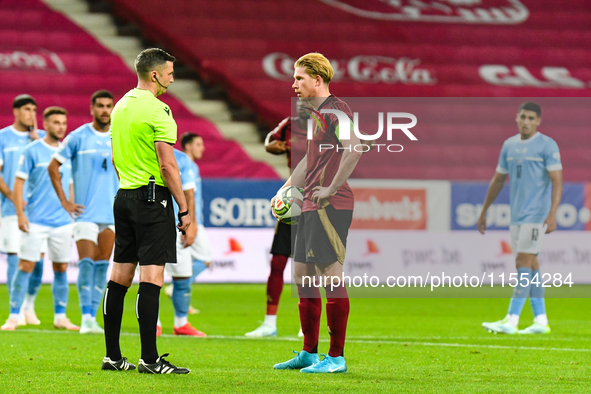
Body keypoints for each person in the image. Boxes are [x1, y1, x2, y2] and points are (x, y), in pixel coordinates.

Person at [273, 53, 363, 373]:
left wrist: (331, 188)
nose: (294, 84)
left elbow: (355, 148)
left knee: (330, 277)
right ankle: (309, 353)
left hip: (330, 206)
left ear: (317, 80)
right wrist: (284, 189)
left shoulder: (336, 110)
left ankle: (336, 358)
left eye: (299, 78)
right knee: (302, 276)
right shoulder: (317, 115)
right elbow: (306, 162)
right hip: (309, 205)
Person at [103, 48, 191, 374]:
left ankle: (113, 356)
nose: (172, 77)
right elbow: (168, 165)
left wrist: (131, 184)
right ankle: (150, 360)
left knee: (119, 277)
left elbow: (114, 158)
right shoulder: (158, 110)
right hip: (152, 198)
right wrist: (183, 207)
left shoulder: (121, 106)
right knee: (151, 277)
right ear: (154, 74)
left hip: (124, 194)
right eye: (168, 72)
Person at [478, 101, 562, 335]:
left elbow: (557, 180)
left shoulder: (547, 145)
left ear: (538, 122)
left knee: (523, 262)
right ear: (517, 118)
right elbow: (498, 180)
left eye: (531, 118)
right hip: (517, 215)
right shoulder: (509, 145)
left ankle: (511, 319)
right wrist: (484, 210)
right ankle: (541, 320)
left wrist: (552, 213)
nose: (526, 122)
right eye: (523, 117)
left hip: (536, 215)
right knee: (531, 264)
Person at [1, 107, 78, 331]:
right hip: (36, 220)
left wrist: (72, 215)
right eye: (55, 122)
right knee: (25, 265)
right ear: (46, 124)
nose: (61, 127)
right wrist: (20, 214)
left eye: (63, 123)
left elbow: (71, 184)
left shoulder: (67, 151)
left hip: (62, 221)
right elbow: (18, 182)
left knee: (61, 267)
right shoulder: (33, 150)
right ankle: (14, 315)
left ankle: (60, 317)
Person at [48, 90, 118, 335]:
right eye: (100, 105)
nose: (105, 110)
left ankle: (92, 318)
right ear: (92, 108)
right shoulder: (77, 137)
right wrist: (66, 202)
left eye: (109, 105)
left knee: (101, 266)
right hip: (85, 214)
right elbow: (53, 167)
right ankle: (86, 317)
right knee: (87, 264)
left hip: (111, 214)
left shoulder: (119, 136)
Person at [245, 117, 304, 338]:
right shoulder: (290, 123)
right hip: (293, 198)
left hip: (316, 199)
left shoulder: (327, 122)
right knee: (278, 261)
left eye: (300, 80)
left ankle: (306, 324)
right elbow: (270, 141)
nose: (296, 88)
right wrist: (275, 146)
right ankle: (269, 324)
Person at [0, 95, 45, 326]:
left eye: (34, 110)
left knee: (37, 261)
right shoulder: (2, 137)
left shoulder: (42, 139)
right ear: (16, 111)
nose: (31, 114)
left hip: (40, 212)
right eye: (27, 109)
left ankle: (29, 305)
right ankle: (14, 310)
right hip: (10, 209)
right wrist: (15, 198)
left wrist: (37, 140)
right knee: (15, 258)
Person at [159, 147, 206, 337]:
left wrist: (191, 223)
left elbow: (189, 192)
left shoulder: (181, 159)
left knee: (183, 276)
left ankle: (181, 323)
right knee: (151, 276)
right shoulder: (143, 153)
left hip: (177, 225)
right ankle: (153, 324)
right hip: (151, 223)